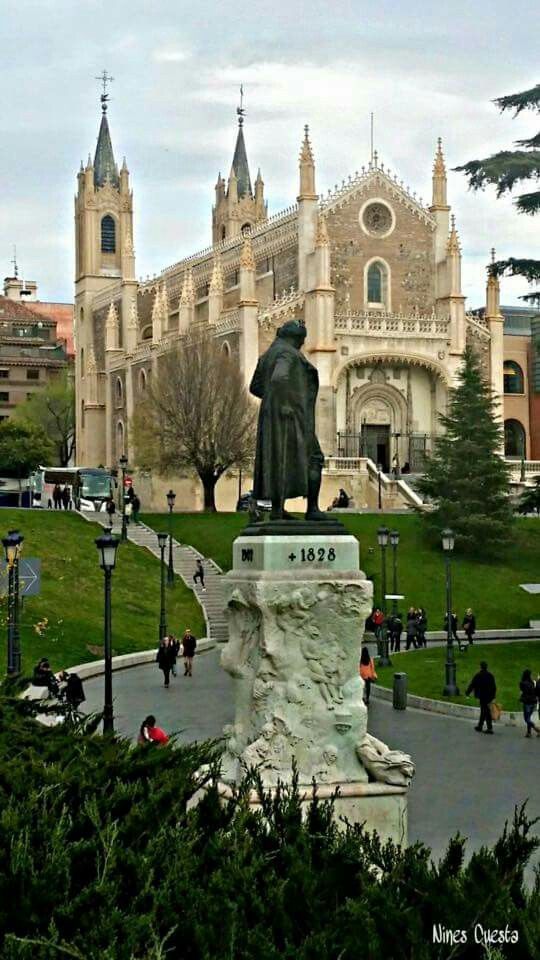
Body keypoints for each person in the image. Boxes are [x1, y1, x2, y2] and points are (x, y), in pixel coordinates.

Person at [466, 661, 496, 734]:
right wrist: (493, 696)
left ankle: (489, 728)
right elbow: (494, 687)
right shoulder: (490, 675)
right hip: (489, 696)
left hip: (482, 696)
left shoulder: (478, 675)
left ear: (481, 667)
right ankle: (480, 726)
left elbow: (472, 684)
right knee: (484, 711)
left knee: (486, 711)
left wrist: (467, 692)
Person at [519, 669, 540, 738]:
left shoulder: (522, 683)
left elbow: (522, 692)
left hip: (527, 702)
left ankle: (536, 729)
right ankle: (528, 732)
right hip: (533, 702)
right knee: (529, 718)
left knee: (526, 719)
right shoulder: (532, 682)